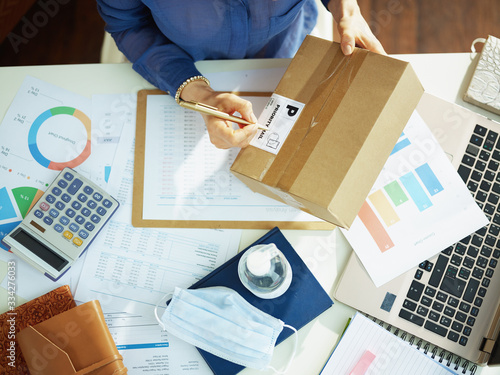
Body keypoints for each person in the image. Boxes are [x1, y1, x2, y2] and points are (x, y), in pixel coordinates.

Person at [97, 0, 385, 149]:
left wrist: (347, 11)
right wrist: (198, 93)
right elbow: (128, 24)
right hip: (174, 59)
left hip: (285, 46)